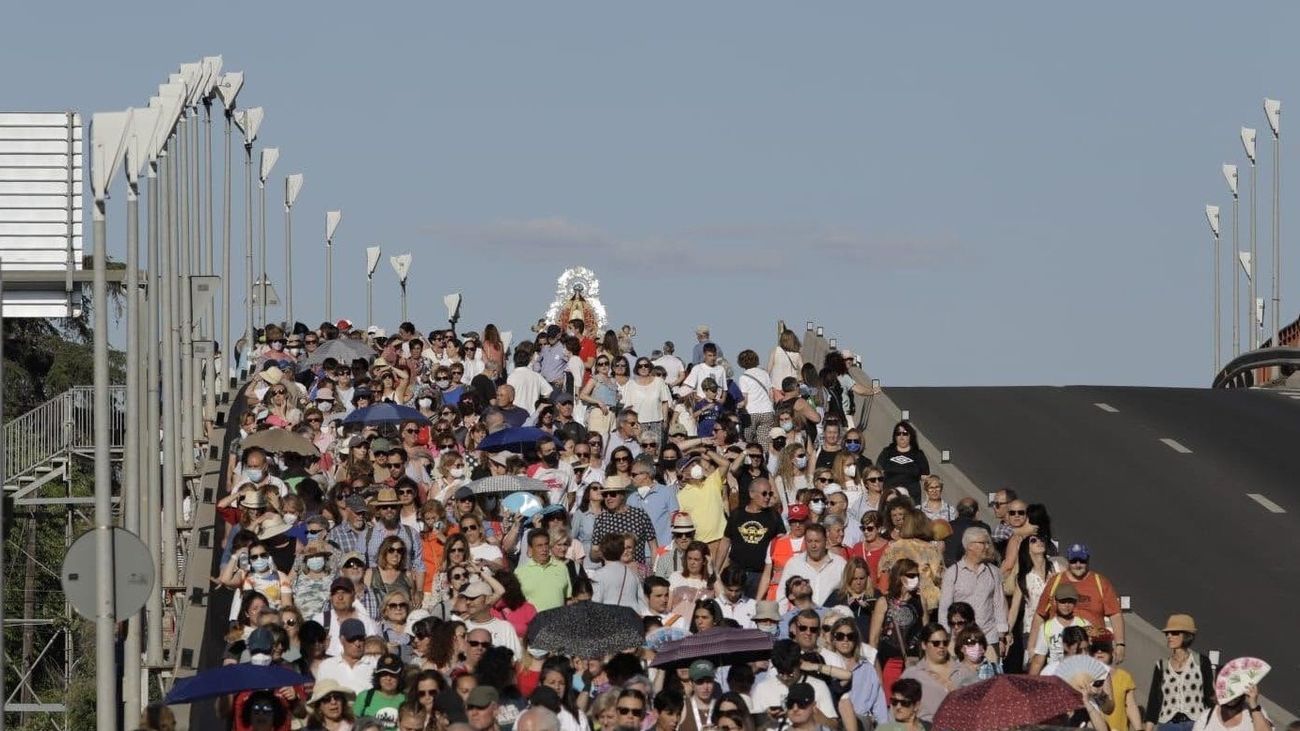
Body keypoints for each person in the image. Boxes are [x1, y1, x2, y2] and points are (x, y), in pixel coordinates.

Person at [1029, 543, 1125, 663]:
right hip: (1059, 652)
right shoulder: (1055, 582)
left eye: (1082, 561)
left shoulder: (1100, 582)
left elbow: (1115, 614)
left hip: (1092, 652)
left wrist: (1120, 644)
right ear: (1068, 561)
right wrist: (1032, 647)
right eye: (1074, 561)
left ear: (1088, 560)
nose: (1078, 564)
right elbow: (1040, 614)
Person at [937, 527, 1008, 654]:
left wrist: (1002, 636)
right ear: (969, 546)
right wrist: (946, 638)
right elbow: (945, 608)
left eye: (988, 543)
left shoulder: (994, 572)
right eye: (983, 543)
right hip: (961, 639)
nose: (987, 547)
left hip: (989, 638)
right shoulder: (953, 573)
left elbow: (999, 604)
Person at [1145, 614, 1216, 731]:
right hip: (1168, 725)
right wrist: (1148, 728)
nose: (1169, 636)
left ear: (1186, 635)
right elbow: (1154, 700)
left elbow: (1209, 695)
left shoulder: (1201, 662)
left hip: (1196, 724)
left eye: (1174, 633)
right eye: (1167, 633)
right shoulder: (1161, 665)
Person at [717, 479, 784, 597]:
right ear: (751, 494)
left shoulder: (774, 516)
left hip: (761, 575)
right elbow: (726, 541)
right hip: (736, 574)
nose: (768, 497)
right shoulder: (737, 514)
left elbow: (781, 543)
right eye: (764, 493)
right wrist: (716, 569)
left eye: (770, 493)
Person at [898, 623, 975, 724]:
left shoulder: (964, 672)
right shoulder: (912, 675)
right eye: (936, 643)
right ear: (924, 645)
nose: (941, 646)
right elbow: (898, 712)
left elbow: (979, 704)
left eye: (945, 643)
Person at [869, 559, 924, 697]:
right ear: (899, 576)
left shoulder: (921, 601)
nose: (915, 579)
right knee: (893, 702)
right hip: (890, 663)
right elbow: (873, 640)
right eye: (911, 575)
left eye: (917, 575)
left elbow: (926, 634)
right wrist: (876, 670)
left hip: (914, 663)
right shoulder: (884, 602)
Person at [825, 616, 889, 731]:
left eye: (850, 636)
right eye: (840, 636)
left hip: (861, 721)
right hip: (834, 722)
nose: (845, 640)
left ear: (856, 640)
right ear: (833, 639)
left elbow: (879, 705)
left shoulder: (867, 668)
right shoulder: (826, 664)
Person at [1027, 582, 1091, 674]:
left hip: (1078, 674)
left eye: (1070, 601)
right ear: (1054, 601)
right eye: (1063, 601)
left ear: (1075, 603)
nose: (1067, 605)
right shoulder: (1046, 627)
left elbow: (1091, 655)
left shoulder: (1084, 624)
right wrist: (1030, 681)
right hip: (1054, 675)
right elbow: (1038, 661)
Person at [780, 523, 846, 605]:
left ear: (826, 541)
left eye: (817, 541)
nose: (813, 545)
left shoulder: (840, 564)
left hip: (831, 613)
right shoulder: (794, 564)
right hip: (801, 613)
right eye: (809, 541)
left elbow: (847, 593)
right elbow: (782, 595)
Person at [1092, 630, 1143, 731]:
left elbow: (1131, 706)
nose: (1099, 651)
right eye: (1095, 648)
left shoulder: (1123, 676)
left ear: (1112, 651)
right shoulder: (1083, 677)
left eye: (1104, 647)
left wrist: (1139, 729)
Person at [758, 503, 810, 601]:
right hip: (778, 597)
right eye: (793, 521)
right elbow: (767, 575)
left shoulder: (813, 542)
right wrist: (758, 601)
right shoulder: (775, 543)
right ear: (789, 522)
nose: (797, 525)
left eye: (801, 521)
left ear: (807, 521)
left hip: (803, 598)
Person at [460, 579, 522, 658]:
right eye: (466, 598)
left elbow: (515, 658)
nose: (468, 602)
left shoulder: (504, 627)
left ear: (487, 599)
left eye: (473, 598)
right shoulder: (461, 627)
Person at [316, 618, 379, 694]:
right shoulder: (327, 666)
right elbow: (319, 695)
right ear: (341, 640)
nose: (357, 644)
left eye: (361, 639)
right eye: (352, 639)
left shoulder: (375, 665)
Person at [515, 530, 572, 612]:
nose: (544, 549)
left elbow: (568, 599)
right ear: (530, 548)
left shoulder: (562, 567)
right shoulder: (519, 572)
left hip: (559, 619)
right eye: (539, 546)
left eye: (546, 544)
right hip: (534, 619)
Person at [874, 422, 929, 502]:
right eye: (898, 434)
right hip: (890, 499)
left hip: (912, 499)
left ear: (910, 436)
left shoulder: (918, 454)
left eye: (905, 433)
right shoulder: (887, 452)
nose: (901, 437)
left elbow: (926, 479)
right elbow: (878, 474)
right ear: (895, 436)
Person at [353, 653, 407, 726]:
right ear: (378, 676)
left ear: (400, 676)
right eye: (384, 674)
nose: (388, 678)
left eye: (393, 674)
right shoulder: (364, 697)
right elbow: (354, 724)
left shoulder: (407, 699)